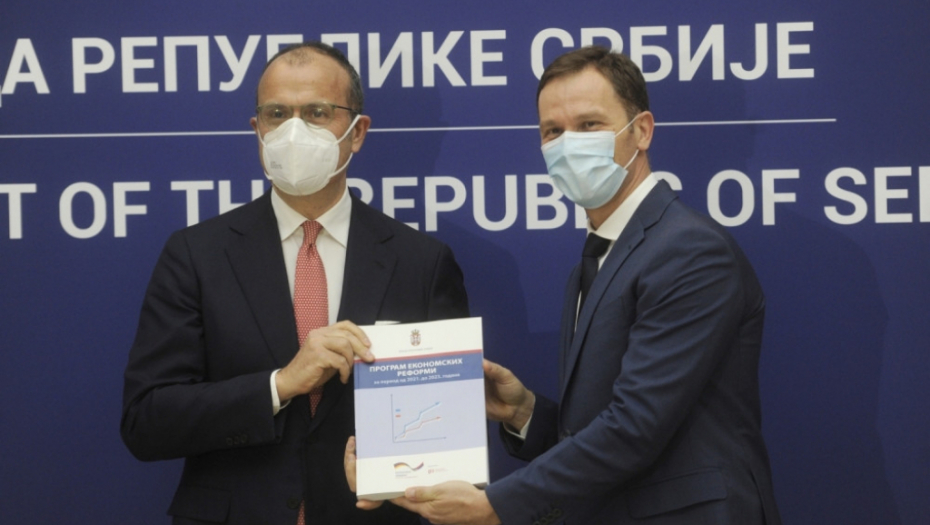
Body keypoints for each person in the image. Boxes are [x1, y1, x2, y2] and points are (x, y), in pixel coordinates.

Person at [348, 46, 781, 525]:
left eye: (589, 125)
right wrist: (524, 412)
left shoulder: (688, 250)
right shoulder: (596, 258)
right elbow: (597, 424)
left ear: (641, 130)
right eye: (553, 131)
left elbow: (635, 427)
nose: (568, 144)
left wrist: (496, 505)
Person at [121, 42, 469, 525]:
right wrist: (279, 385)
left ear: (357, 132)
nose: (294, 130)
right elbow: (147, 422)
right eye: (277, 114)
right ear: (257, 130)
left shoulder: (422, 262)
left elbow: (446, 431)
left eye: (317, 113)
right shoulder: (196, 255)